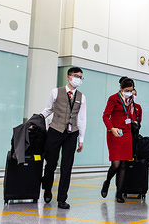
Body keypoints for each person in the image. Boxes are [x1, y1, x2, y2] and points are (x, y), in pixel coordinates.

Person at [41, 67, 87, 209]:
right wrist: (37, 119)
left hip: (71, 133)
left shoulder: (82, 97)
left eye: (80, 77)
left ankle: (62, 199)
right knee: (51, 164)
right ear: (68, 77)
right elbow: (48, 109)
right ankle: (48, 189)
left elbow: (82, 119)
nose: (78, 79)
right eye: (76, 76)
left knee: (67, 167)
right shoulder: (56, 92)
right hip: (55, 130)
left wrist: (81, 139)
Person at [101, 77, 141, 203]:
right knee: (116, 164)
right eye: (127, 90)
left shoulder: (131, 100)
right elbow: (105, 115)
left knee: (124, 164)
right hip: (115, 133)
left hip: (127, 133)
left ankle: (119, 192)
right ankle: (107, 182)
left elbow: (131, 115)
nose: (129, 92)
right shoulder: (113, 98)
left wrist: (134, 120)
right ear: (121, 88)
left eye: (131, 90)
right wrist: (111, 128)